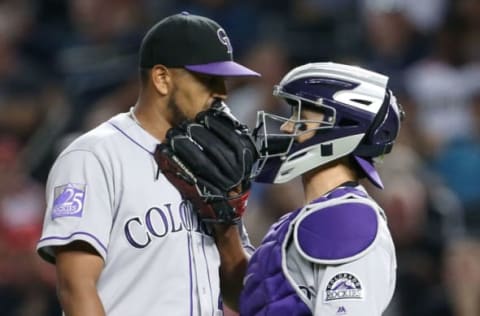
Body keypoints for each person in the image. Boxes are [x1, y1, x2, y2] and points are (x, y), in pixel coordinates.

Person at [36, 12, 260, 316]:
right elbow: (75, 287)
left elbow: (239, 296)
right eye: (208, 79)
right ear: (162, 78)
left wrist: (227, 223)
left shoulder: (210, 163)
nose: (221, 91)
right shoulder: (94, 156)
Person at [240, 62, 404, 315]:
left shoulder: (346, 218)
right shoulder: (309, 217)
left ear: (341, 129)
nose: (286, 127)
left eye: (301, 118)